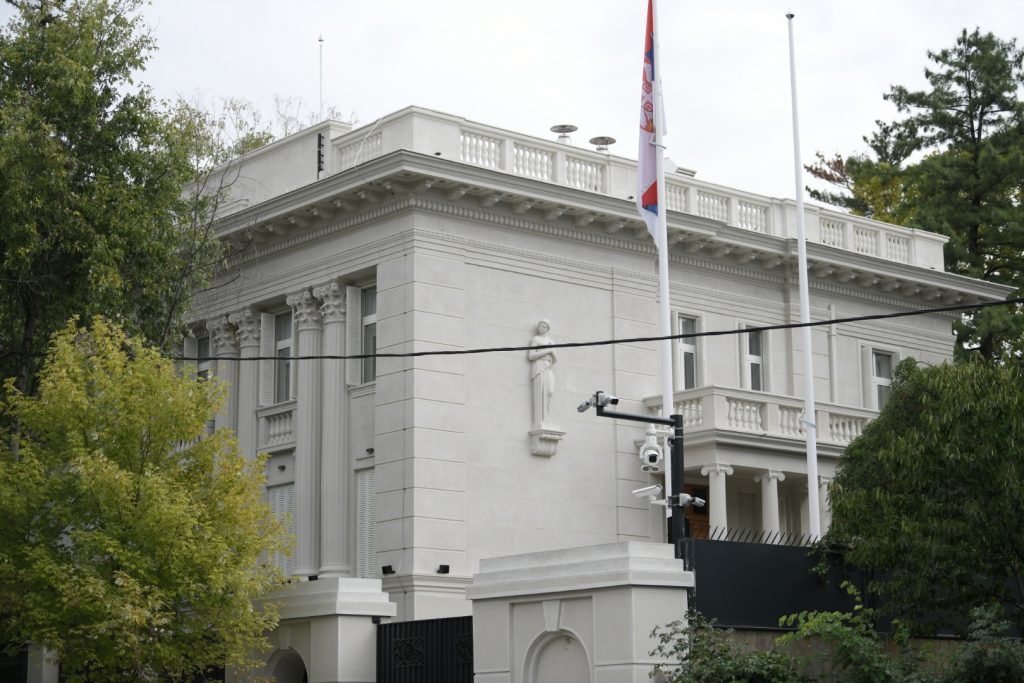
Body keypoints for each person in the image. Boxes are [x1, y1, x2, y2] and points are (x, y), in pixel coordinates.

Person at [528, 319, 556, 426]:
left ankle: (547, 416)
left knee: (549, 391)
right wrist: (548, 350)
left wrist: (551, 351)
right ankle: (542, 420)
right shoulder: (536, 339)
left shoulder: (551, 341)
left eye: (544, 326)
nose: (542, 328)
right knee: (541, 392)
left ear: (548, 328)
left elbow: (555, 359)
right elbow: (531, 356)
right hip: (539, 366)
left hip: (548, 368)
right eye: (540, 326)